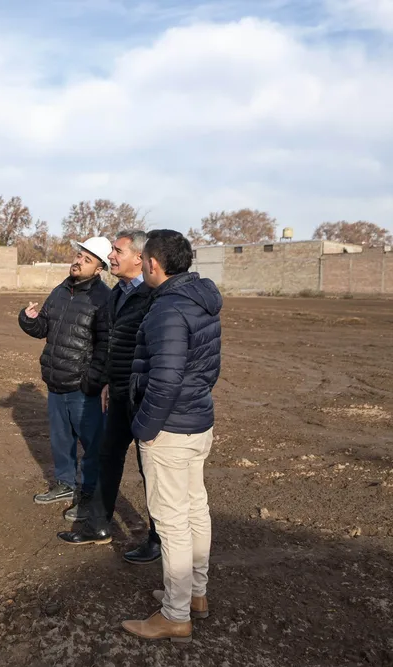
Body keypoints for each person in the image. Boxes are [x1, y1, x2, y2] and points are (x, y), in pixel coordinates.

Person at [119, 230, 222, 644]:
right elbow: (207, 369)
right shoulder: (201, 300)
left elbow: (164, 380)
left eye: (144, 259)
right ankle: (195, 593)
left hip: (171, 429)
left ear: (153, 264)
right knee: (195, 509)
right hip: (197, 421)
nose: (143, 265)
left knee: (173, 521)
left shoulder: (168, 309)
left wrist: (145, 428)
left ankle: (175, 615)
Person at [58, 230, 162, 562]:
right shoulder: (119, 292)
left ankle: (159, 538)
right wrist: (107, 380)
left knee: (151, 469)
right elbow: (112, 343)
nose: (111, 256)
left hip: (142, 396)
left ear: (139, 258)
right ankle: (98, 526)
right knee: (108, 457)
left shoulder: (153, 294)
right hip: (117, 392)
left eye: (117, 251)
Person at [19, 237, 111, 521]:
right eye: (80, 255)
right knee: (61, 440)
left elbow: (106, 345)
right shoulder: (61, 290)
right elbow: (44, 327)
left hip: (83, 387)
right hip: (56, 381)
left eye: (87, 259)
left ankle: (89, 495)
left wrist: (91, 380)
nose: (78, 261)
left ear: (99, 269)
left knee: (92, 445)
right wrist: (29, 319)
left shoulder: (103, 298)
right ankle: (65, 484)